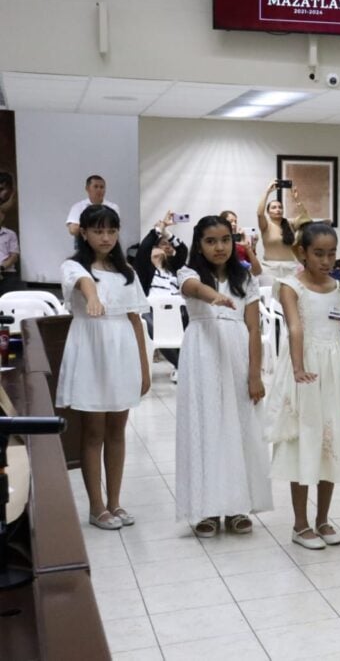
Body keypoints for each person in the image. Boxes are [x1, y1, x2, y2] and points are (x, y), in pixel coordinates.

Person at [266, 223, 340, 550]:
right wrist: (297, 367)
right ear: (303, 253)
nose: (325, 261)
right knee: (303, 443)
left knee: (329, 442)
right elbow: (295, 327)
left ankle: (323, 519)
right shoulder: (290, 286)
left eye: (331, 254)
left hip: (336, 371)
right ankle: (299, 523)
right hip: (305, 369)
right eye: (318, 254)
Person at [175, 215, 271, 538]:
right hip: (201, 354)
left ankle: (237, 506)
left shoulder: (246, 279)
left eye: (225, 240)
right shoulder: (188, 273)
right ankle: (205, 508)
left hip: (237, 355)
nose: (219, 247)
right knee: (206, 428)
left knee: (239, 428)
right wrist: (212, 296)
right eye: (211, 241)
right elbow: (191, 288)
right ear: (199, 245)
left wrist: (255, 374)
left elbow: (255, 328)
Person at [56, 206, 149, 530]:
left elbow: (136, 319)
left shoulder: (128, 272)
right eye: (98, 231)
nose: (106, 237)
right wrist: (93, 296)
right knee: (94, 431)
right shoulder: (74, 266)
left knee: (117, 431)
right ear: (84, 233)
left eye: (112, 231)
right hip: (91, 352)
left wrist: (144, 367)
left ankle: (115, 502)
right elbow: (83, 282)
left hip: (122, 351)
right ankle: (97, 507)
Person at [257, 180, 310, 281]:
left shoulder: (290, 224)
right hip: (270, 268)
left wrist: (296, 199)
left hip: (290, 268)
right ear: (268, 212)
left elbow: (305, 217)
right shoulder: (265, 225)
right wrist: (267, 192)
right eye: (274, 207)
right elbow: (260, 213)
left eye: (280, 207)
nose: (278, 209)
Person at [134, 211, 188, 296]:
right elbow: (144, 248)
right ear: (153, 247)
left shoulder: (172, 267)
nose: (168, 247)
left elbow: (183, 250)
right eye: (164, 244)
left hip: (176, 306)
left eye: (171, 245)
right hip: (155, 307)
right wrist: (160, 227)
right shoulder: (144, 268)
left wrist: (165, 233)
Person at [220, 209, 263, 277]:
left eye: (235, 221)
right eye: (230, 221)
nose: (234, 224)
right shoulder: (220, 241)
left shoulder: (241, 240)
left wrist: (253, 245)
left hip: (245, 274)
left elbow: (250, 262)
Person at [0, 209, 24, 295]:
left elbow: (14, 256)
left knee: (7, 303)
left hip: (7, 273)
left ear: (2, 216)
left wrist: (1, 268)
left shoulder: (10, 234)